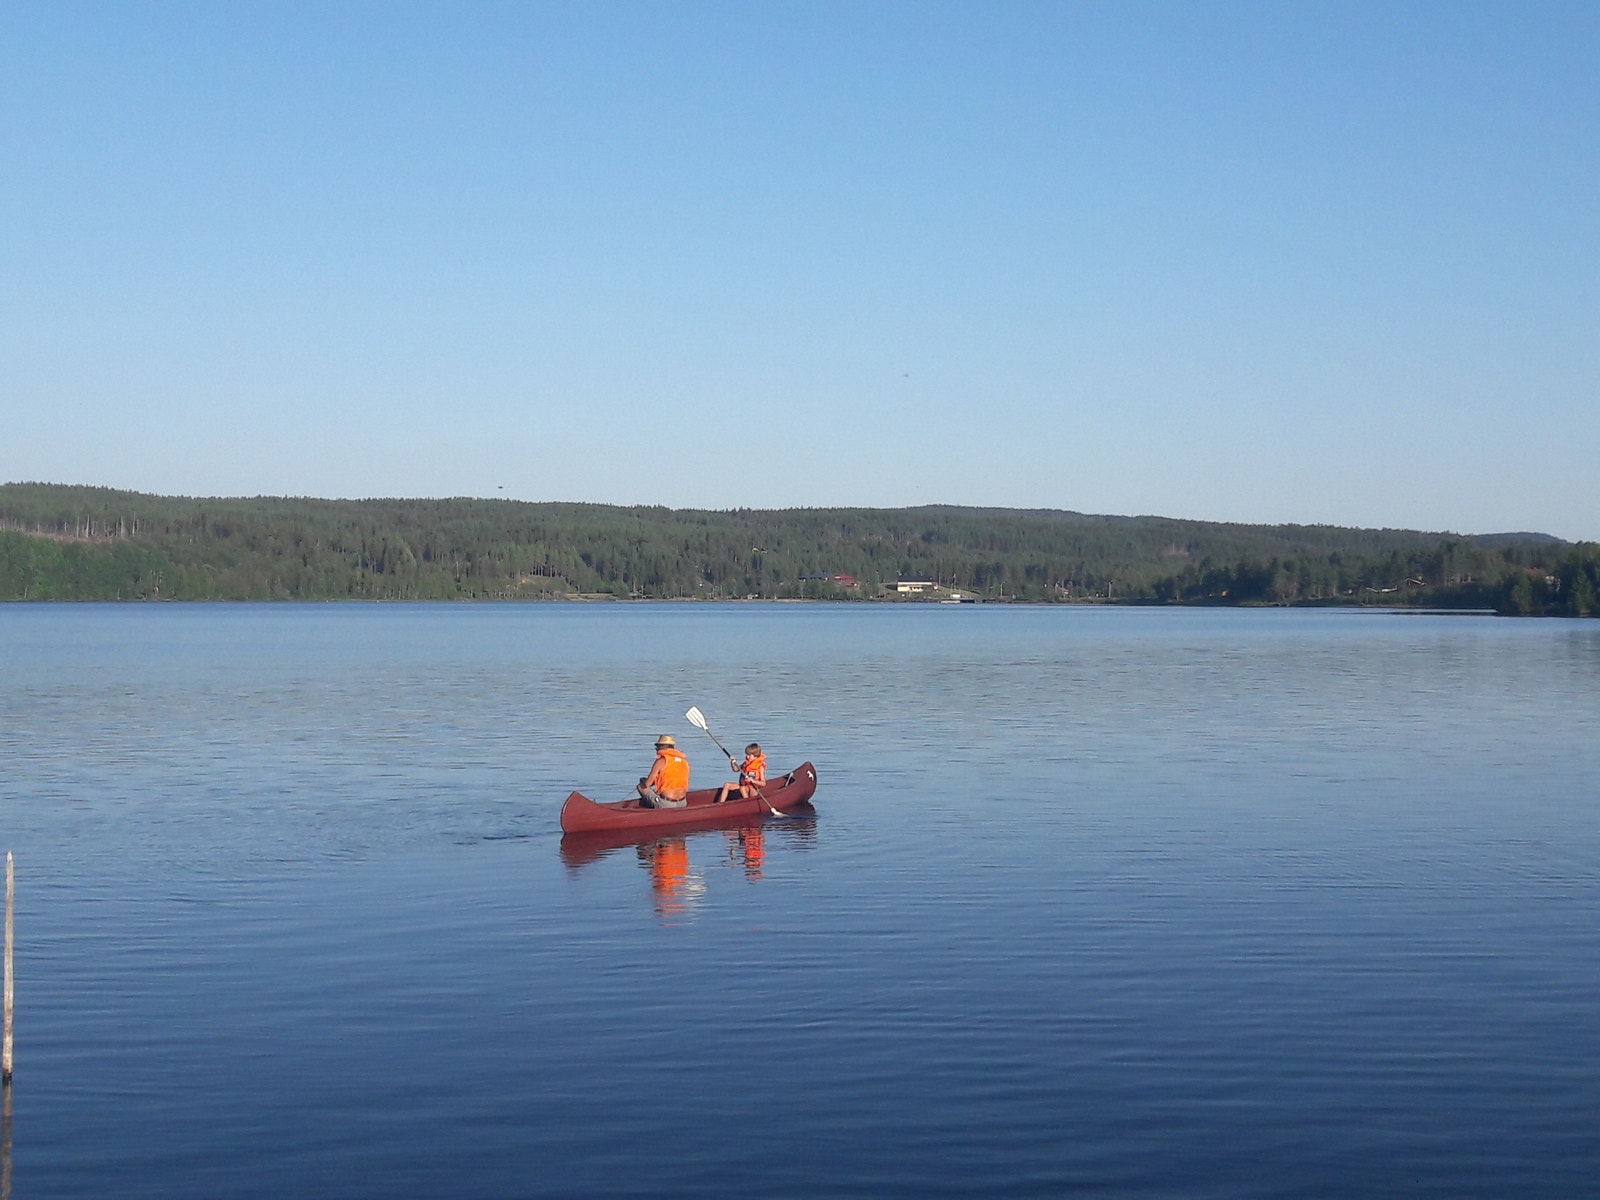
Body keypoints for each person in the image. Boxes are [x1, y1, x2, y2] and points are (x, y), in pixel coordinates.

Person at [637, 734, 690, 808]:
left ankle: (649, 809)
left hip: (666, 804)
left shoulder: (661, 761)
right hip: (683, 803)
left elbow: (647, 784)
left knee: (641, 787)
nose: (656, 749)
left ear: (661, 747)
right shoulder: (684, 762)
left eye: (657, 747)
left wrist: (642, 781)